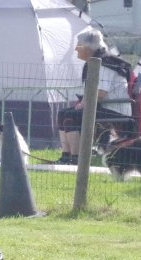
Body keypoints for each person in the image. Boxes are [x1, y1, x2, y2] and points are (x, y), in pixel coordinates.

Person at [55, 27, 132, 165]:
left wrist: (83, 104)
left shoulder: (104, 64)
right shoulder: (94, 61)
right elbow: (92, 91)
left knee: (72, 116)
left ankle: (77, 158)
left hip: (115, 109)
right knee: (63, 113)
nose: (76, 49)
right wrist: (83, 102)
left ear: (88, 48)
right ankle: (66, 155)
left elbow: (101, 93)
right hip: (102, 106)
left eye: (78, 45)